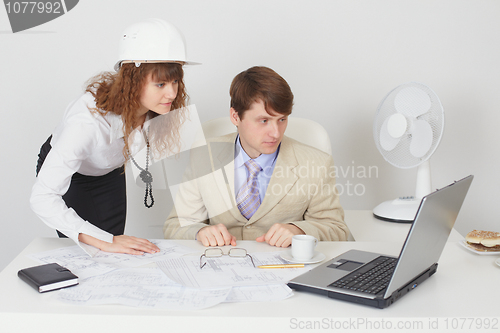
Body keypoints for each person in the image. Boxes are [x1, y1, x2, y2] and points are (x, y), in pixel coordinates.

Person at [30, 18, 196, 256]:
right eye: (160, 84)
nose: (171, 93)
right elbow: (42, 197)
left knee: (117, 249)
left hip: (108, 173)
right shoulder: (86, 123)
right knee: (91, 248)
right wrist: (103, 240)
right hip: (75, 176)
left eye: (175, 81)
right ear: (133, 81)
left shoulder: (153, 107)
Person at [163, 66, 349, 247]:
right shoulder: (203, 155)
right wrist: (199, 232)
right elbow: (175, 225)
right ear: (235, 117)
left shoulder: (317, 163)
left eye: (282, 119)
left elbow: (337, 229)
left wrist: (298, 230)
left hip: (284, 269)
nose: (275, 133)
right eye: (264, 121)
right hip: (222, 266)